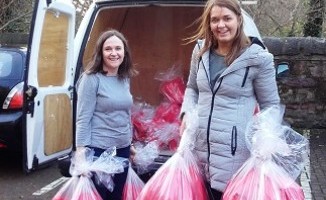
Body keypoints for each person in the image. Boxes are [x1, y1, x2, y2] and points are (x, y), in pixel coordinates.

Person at [179, 0, 281, 199]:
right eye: (214, 20)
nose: (221, 25)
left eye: (227, 18)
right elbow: (192, 88)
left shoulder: (258, 58)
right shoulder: (200, 52)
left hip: (235, 157)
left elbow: (271, 106)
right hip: (199, 152)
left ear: (239, 19)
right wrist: (186, 113)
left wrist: (265, 141)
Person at [75, 29, 137, 200]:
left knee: (117, 195)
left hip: (122, 149)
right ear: (100, 53)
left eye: (118, 48)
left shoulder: (124, 77)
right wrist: (81, 153)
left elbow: (125, 113)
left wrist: (129, 143)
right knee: (100, 196)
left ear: (125, 52)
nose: (114, 53)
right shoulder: (91, 79)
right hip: (99, 151)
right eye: (108, 49)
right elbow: (83, 118)